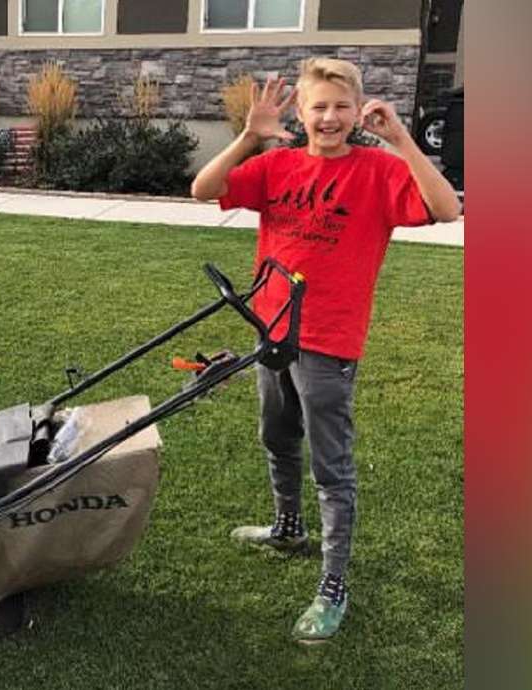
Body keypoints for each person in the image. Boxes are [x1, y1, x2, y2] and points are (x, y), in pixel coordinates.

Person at [190, 58, 461, 643]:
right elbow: (202, 188)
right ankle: (287, 527)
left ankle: (333, 582)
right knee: (277, 436)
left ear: (358, 109)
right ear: (302, 113)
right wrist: (247, 136)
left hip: (330, 340)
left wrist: (402, 139)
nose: (329, 118)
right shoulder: (276, 165)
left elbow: (447, 208)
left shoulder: (377, 172)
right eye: (319, 107)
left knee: (331, 466)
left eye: (341, 107)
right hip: (272, 332)